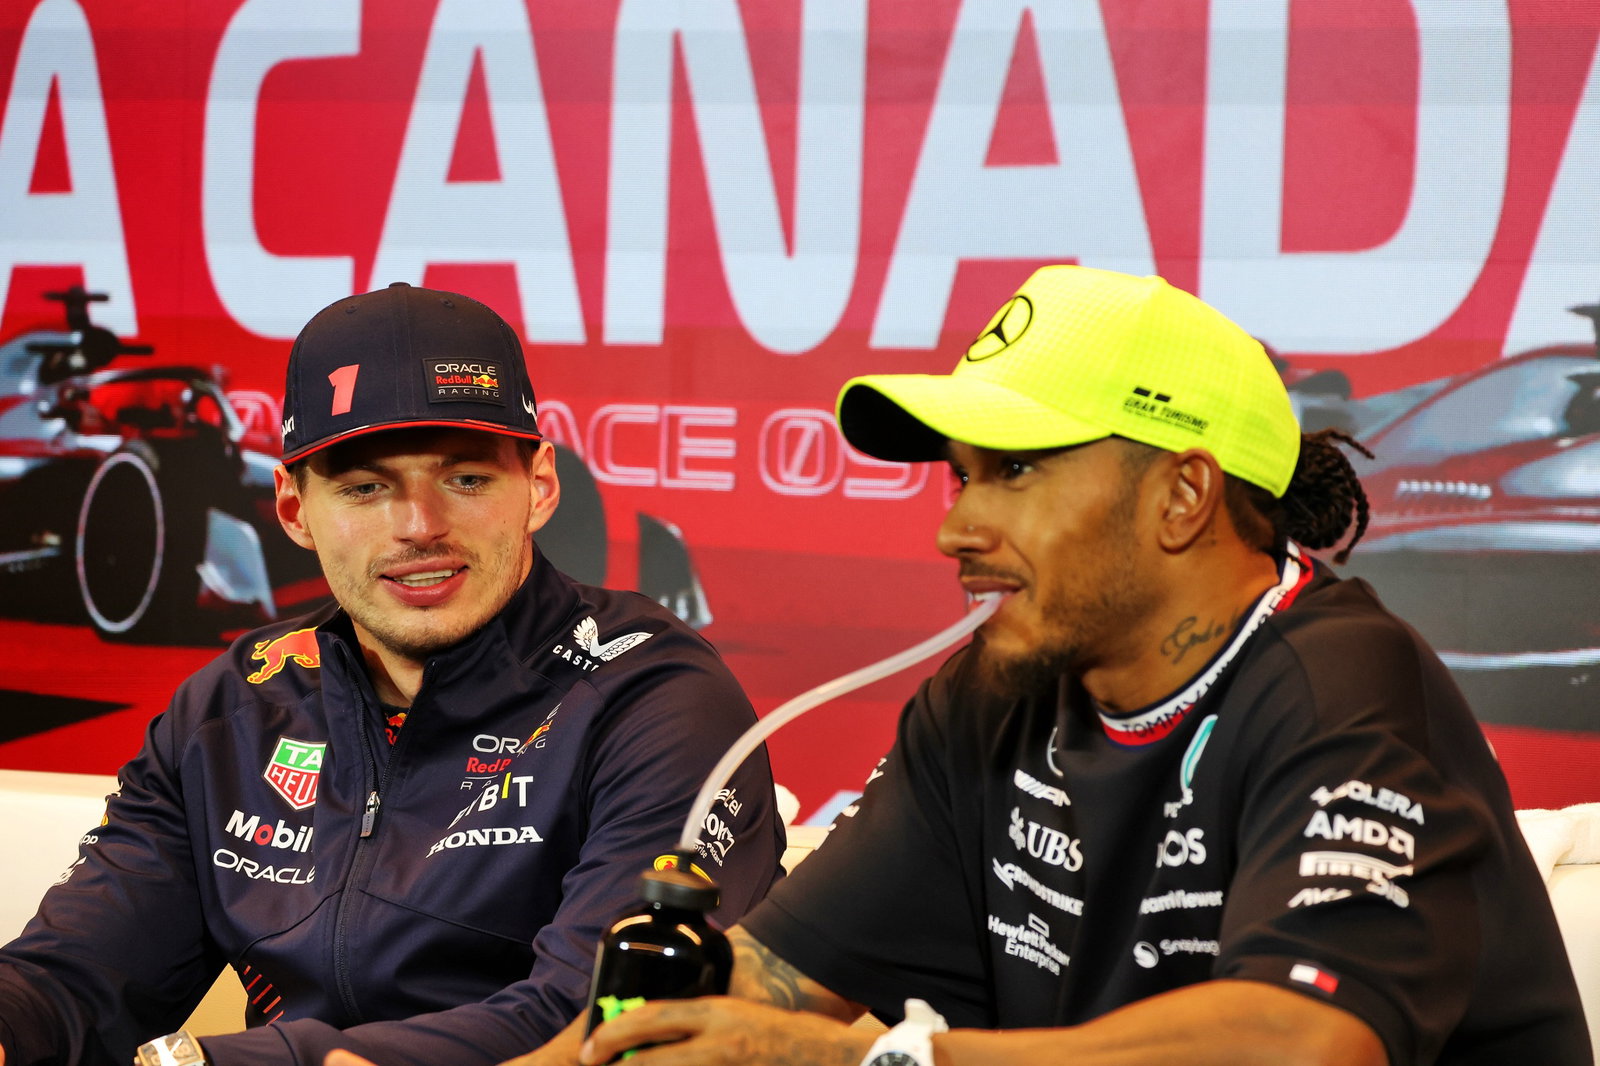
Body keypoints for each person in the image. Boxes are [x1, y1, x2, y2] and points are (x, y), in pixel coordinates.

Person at [512, 265, 1591, 1066]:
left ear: (1182, 495)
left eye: (1016, 471)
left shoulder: (1340, 681)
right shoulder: (989, 696)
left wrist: (878, 1060)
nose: (957, 529)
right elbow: (768, 983)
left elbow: (1303, 1043)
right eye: (961, 477)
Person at [0, 283, 786, 1066]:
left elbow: (605, 1018)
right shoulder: (233, 708)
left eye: (466, 479)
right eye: (365, 487)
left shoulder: (657, 697)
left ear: (540, 486)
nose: (419, 527)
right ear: (294, 509)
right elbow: (72, 983)